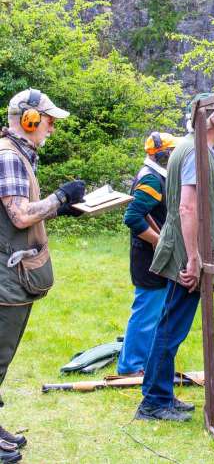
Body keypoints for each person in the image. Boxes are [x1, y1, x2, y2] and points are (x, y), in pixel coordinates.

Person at [0, 89, 85, 462]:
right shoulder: (10, 157)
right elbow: (19, 216)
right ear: (28, 119)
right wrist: (61, 198)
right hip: (6, 281)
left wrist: (57, 209)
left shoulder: (17, 155)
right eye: (47, 120)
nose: (51, 127)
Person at [134, 98, 214, 422]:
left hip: (188, 251)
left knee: (170, 325)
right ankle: (153, 401)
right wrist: (193, 259)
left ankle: (160, 394)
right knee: (170, 327)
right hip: (187, 254)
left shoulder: (195, 148)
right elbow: (187, 208)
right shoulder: (194, 151)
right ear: (213, 118)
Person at [117, 132, 179, 376]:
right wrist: (159, 243)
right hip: (149, 256)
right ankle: (131, 366)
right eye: (170, 151)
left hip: (151, 255)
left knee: (153, 311)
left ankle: (142, 363)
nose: (174, 155)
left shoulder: (155, 176)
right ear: (160, 154)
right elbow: (132, 217)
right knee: (146, 313)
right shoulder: (153, 180)